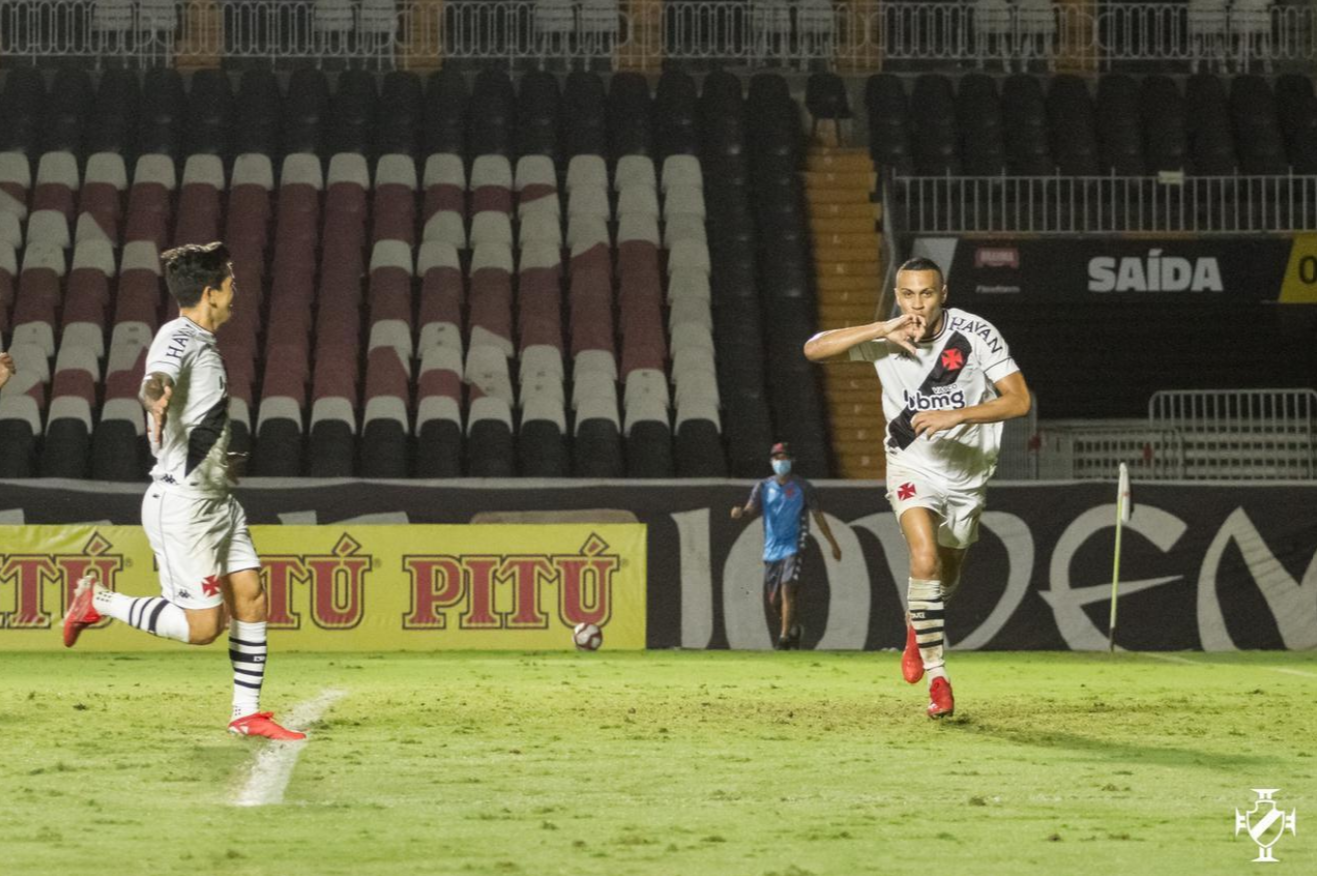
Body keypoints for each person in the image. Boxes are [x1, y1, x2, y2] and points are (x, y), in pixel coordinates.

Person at [62, 242, 305, 741]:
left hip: (217, 501)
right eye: (230, 285)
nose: (235, 292)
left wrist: (218, 461)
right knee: (202, 629)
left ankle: (246, 713)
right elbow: (156, 377)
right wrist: (154, 395)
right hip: (184, 507)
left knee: (252, 598)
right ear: (210, 293)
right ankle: (98, 602)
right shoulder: (178, 334)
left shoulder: (203, 341)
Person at [803, 257, 1031, 718]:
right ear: (898, 296)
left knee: (945, 575)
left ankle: (915, 627)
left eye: (926, 294)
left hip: (967, 475)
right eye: (907, 295)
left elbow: (1019, 400)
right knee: (922, 560)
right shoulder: (886, 338)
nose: (917, 304)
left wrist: (957, 414)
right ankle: (938, 678)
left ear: (942, 294)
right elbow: (813, 350)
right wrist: (879, 328)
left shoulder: (975, 334)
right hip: (911, 466)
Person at [731, 442, 843, 650]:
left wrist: (833, 544)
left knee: (787, 590)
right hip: (772, 548)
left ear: (791, 461)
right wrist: (740, 513)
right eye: (777, 458)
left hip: (794, 544)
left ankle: (783, 639)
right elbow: (750, 509)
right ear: (771, 462)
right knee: (775, 601)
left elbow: (818, 516)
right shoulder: (764, 487)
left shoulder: (802, 487)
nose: (781, 462)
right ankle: (793, 627)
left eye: (784, 458)